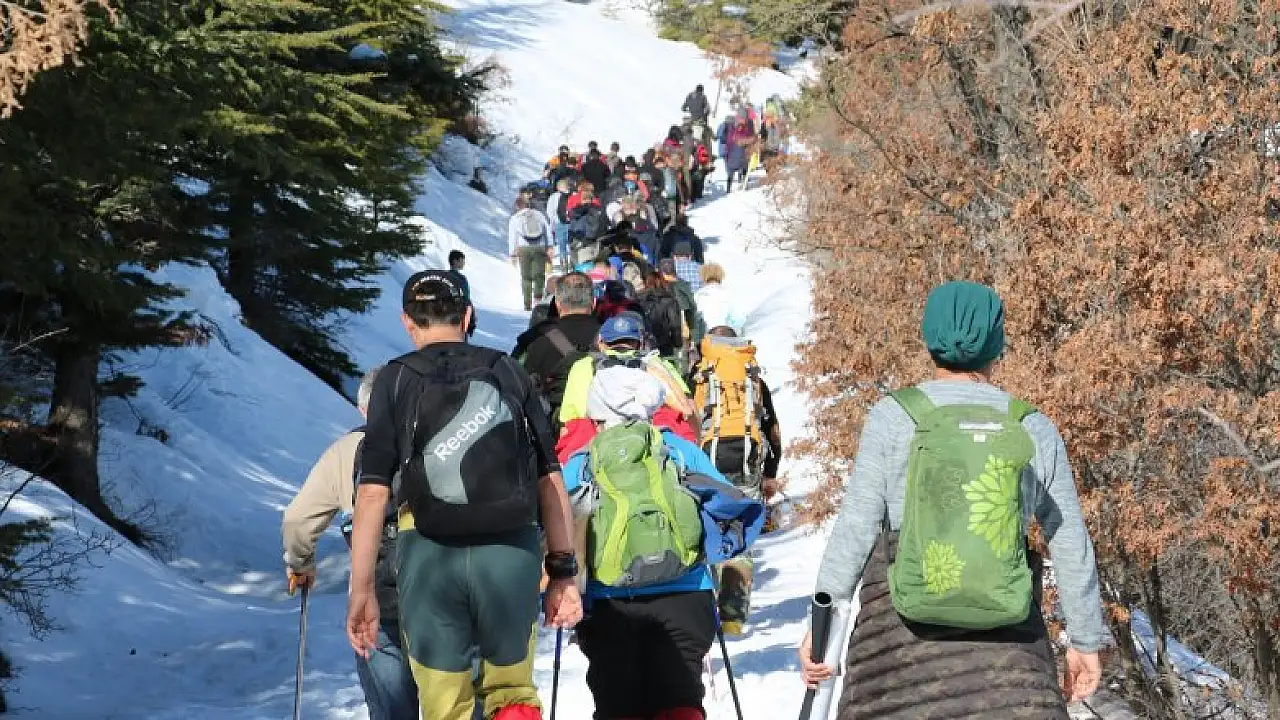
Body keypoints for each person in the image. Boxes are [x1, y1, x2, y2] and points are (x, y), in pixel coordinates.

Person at [799, 281, 1105, 718]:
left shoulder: (894, 417)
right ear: (997, 343)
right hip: (1009, 659)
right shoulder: (1031, 426)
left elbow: (857, 527)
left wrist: (821, 626)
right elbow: (1068, 538)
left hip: (895, 652)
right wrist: (1085, 641)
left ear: (929, 338)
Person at [347, 270, 583, 720]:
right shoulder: (507, 369)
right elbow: (549, 477)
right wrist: (562, 571)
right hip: (510, 550)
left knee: (446, 705)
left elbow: (373, 494)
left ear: (407, 321)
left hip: (427, 554)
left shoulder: (394, 380)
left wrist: (363, 589)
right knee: (512, 694)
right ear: (468, 315)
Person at [562, 367, 744, 720]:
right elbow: (728, 508)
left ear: (597, 416)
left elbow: (559, 530)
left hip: (609, 603)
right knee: (681, 698)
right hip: (687, 594)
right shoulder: (681, 453)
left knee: (617, 706)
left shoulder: (582, 463)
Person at [283, 367, 418, 720]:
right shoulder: (437, 438)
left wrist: (300, 563)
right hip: (443, 587)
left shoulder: (347, 450)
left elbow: (298, 519)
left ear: (363, 409)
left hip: (379, 593)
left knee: (391, 707)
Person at [690, 326, 783, 635]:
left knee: (704, 527)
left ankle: (704, 607)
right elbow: (772, 431)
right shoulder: (753, 379)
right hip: (747, 462)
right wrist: (770, 473)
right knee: (740, 532)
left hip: (705, 462)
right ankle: (733, 616)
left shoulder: (700, 376)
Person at [556, 311, 697, 462]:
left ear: (601, 343)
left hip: (598, 446)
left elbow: (568, 424)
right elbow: (689, 410)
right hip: (651, 443)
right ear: (640, 343)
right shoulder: (657, 364)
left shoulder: (582, 367)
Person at [513, 272, 601, 428]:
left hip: (553, 433)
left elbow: (514, 385)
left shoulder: (535, 340)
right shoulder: (610, 338)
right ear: (593, 303)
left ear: (557, 303)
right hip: (603, 432)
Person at [508, 203, 552, 311]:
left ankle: (527, 304)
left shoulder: (515, 218)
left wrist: (512, 254)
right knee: (539, 275)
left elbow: (512, 236)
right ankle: (538, 300)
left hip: (524, 249)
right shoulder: (539, 214)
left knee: (526, 277)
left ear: (518, 207)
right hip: (539, 247)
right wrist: (549, 246)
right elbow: (547, 231)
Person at [694, 263, 743, 333]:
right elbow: (738, 319)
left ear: (703, 276)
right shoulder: (729, 293)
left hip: (705, 335)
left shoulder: (697, 295)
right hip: (726, 334)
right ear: (721, 276)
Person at [446, 250, 477, 338]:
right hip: (460, 318)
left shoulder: (444, 277)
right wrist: (471, 320)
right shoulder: (461, 279)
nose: (463, 263)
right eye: (462, 260)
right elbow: (466, 299)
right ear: (455, 261)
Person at [546, 177, 575, 272]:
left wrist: (552, 224)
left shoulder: (554, 197)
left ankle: (564, 263)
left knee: (562, 244)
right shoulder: (573, 194)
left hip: (559, 222)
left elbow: (549, 212)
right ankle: (573, 261)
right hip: (572, 223)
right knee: (572, 243)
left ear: (558, 187)